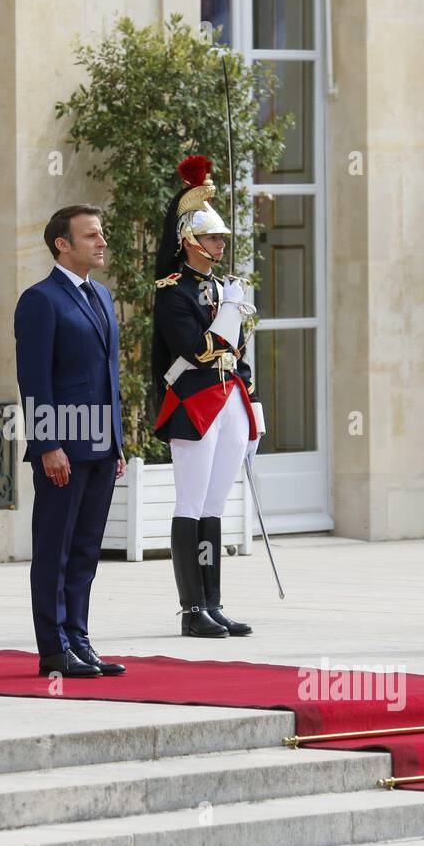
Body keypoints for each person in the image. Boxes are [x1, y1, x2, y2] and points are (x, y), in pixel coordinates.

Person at [151, 155, 263, 639]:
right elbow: (197, 349)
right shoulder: (173, 291)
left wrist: (251, 396)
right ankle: (191, 609)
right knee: (191, 504)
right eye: (214, 238)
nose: (221, 244)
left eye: (221, 239)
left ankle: (213, 601)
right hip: (194, 401)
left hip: (230, 398)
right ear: (191, 242)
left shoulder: (224, 286)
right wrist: (231, 312)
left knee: (215, 507)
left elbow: (238, 353)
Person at [14, 205, 126, 678]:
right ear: (63, 243)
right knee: (55, 548)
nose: (101, 242)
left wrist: (117, 442)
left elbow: (107, 375)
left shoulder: (100, 294)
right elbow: (34, 379)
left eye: (101, 235)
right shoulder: (41, 300)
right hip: (63, 446)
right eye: (91, 236)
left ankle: (79, 639)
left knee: (85, 549)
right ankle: (54, 647)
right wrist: (47, 444)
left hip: (100, 443)